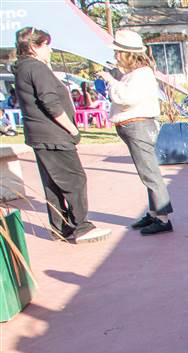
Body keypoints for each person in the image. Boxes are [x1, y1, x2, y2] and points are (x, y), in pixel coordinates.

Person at [13, 27, 109, 243]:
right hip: (53, 135)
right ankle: (81, 226)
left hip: (40, 135)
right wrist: (72, 128)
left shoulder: (23, 68)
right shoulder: (36, 69)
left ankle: (60, 227)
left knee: (53, 184)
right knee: (73, 179)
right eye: (46, 44)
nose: (50, 49)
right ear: (34, 46)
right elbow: (50, 102)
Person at [97, 30, 174, 236]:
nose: (115, 57)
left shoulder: (142, 74)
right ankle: (154, 212)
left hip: (138, 125)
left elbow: (126, 97)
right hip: (131, 125)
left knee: (150, 173)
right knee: (146, 173)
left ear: (126, 54)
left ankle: (163, 217)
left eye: (118, 53)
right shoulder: (134, 74)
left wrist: (111, 81)